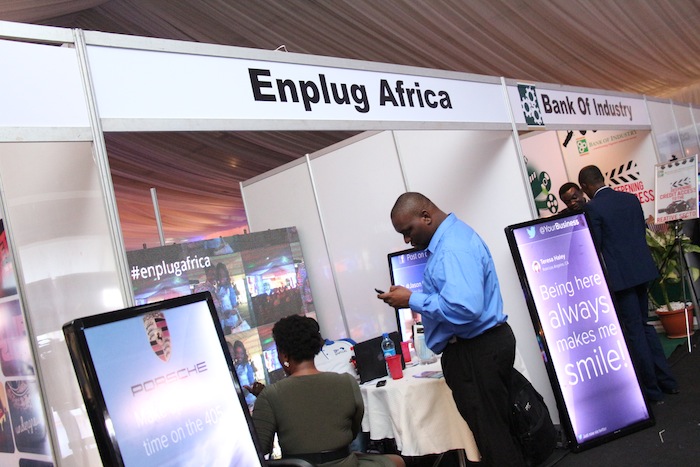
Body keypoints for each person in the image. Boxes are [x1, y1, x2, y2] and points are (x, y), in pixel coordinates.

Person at [378, 192, 525, 467]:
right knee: (499, 430)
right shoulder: (455, 237)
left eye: (408, 231)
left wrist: (412, 300)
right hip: (484, 346)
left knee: (493, 438)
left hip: (476, 351)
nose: (406, 240)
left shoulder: (451, 249)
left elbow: (465, 308)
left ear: (426, 216)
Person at [578, 165, 679, 402]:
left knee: (634, 332)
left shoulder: (593, 208)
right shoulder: (630, 199)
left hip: (621, 279)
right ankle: (668, 382)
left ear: (585, 186)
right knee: (645, 326)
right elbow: (639, 232)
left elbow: (595, 245)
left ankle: (652, 391)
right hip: (641, 271)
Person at [249, 315, 404, 467]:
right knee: (397, 461)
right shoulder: (347, 382)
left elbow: (260, 449)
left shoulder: (270, 395)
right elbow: (353, 430)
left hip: (299, 465)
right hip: (346, 463)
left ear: (284, 356)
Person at [216, 262, 248, 333]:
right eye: (220, 275)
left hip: (232, 322)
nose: (222, 278)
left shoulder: (229, 288)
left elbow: (234, 306)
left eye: (223, 275)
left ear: (226, 276)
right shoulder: (217, 289)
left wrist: (230, 312)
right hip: (222, 323)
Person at [231, 340, 257, 409]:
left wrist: (244, 393)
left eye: (241, 353)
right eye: (237, 353)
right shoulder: (234, 367)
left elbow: (252, 384)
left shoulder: (247, 366)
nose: (239, 356)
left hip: (251, 401)